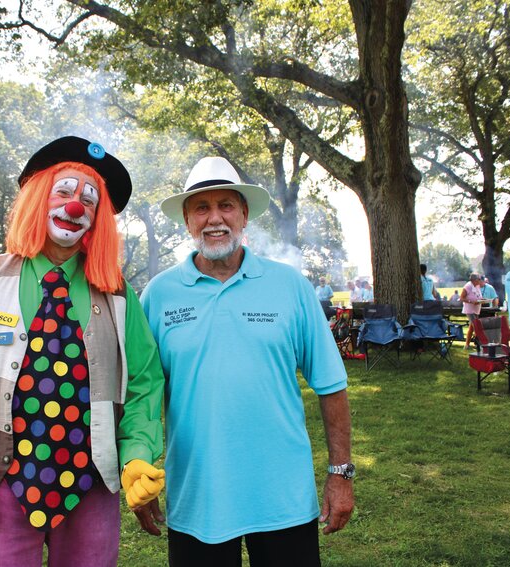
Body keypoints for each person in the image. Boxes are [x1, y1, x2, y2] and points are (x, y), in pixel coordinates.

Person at [0, 136, 166, 567]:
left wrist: (136, 457)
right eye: (65, 191)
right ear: (38, 199)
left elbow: (145, 384)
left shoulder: (118, 295)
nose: (76, 207)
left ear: (98, 220)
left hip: (91, 485)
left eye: (89, 201)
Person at [138, 156, 354, 566]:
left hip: (283, 498)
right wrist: (140, 471)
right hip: (197, 495)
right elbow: (141, 396)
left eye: (226, 206)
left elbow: (330, 384)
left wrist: (340, 472)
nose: (214, 218)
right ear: (187, 219)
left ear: (244, 215)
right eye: (202, 207)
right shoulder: (159, 294)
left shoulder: (290, 286)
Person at [461, 273, 484, 349]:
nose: (480, 281)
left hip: (476, 309)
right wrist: (471, 301)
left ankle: (467, 345)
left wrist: (482, 300)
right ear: (474, 280)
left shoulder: (477, 286)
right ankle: (479, 345)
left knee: (472, 328)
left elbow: (478, 296)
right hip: (470, 310)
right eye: (479, 279)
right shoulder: (467, 286)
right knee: (477, 327)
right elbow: (462, 298)